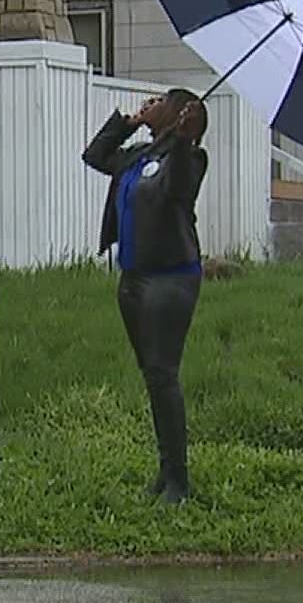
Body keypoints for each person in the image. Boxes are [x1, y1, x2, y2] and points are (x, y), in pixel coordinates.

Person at [83, 89, 210, 505]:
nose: (147, 102)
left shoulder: (188, 160)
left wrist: (183, 138)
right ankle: (165, 469)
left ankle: (179, 482)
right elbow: (95, 155)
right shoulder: (137, 155)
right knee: (152, 376)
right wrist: (129, 122)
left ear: (176, 113)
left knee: (163, 374)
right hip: (133, 281)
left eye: (157, 100)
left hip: (171, 280)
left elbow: (177, 191)